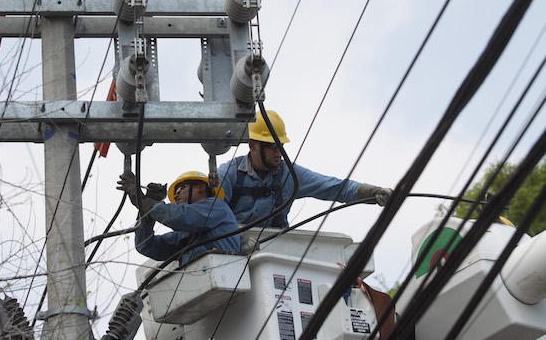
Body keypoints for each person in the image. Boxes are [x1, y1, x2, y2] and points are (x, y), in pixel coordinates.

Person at [217, 110, 393, 228]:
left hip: (273, 251)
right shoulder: (230, 174)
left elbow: (334, 187)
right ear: (253, 146)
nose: (278, 151)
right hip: (233, 251)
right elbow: (211, 213)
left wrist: (373, 193)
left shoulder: (290, 175)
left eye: (281, 145)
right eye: (272, 145)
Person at [117, 171, 241, 265]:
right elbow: (146, 246)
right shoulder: (183, 234)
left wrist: (146, 202)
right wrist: (145, 212)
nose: (176, 196)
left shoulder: (217, 207)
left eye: (181, 189)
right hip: (199, 284)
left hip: (224, 274)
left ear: (201, 187)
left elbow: (180, 216)